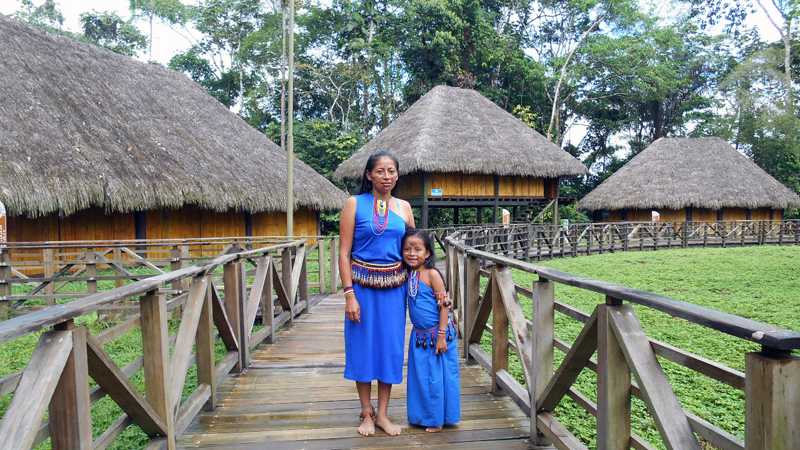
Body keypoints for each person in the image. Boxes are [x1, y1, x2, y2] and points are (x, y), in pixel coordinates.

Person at [339, 151, 414, 437]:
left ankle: (382, 414)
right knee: (362, 348)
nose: (387, 176)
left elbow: (413, 250)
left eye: (391, 171)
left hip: (395, 291)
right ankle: (366, 413)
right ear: (369, 175)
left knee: (389, 349)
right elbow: (344, 254)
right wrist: (349, 295)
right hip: (361, 289)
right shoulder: (354, 204)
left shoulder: (404, 208)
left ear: (397, 174)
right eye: (380, 171)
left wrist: (432, 286)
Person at [402, 227, 460, 432]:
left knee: (436, 378)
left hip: (437, 335)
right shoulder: (407, 274)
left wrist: (442, 336)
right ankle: (424, 416)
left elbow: (444, 305)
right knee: (421, 377)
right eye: (407, 249)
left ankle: (437, 420)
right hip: (419, 336)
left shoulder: (432, 274)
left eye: (417, 249)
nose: (412, 253)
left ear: (427, 253)